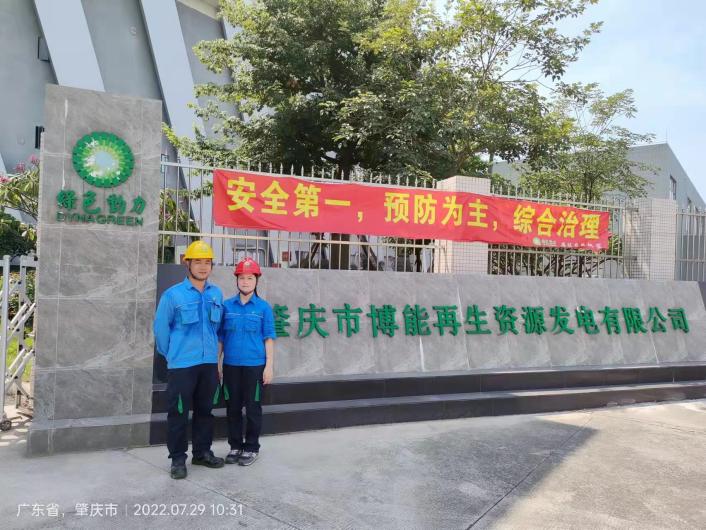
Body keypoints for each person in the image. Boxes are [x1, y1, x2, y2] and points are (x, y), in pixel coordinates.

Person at [153, 240, 225, 479]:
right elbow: (161, 331)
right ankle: (177, 459)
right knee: (178, 413)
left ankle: (202, 452)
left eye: (207, 262)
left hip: (208, 364)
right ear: (188, 263)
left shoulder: (216, 294)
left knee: (205, 410)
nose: (203, 267)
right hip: (182, 365)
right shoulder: (173, 295)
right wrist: (172, 354)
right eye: (198, 262)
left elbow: (218, 328)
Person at [219, 257, 276, 466]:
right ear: (236, 280)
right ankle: (235, 446)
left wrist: (269, 366)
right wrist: (217, 363)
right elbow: (221, 338)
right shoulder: (227, 306)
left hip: (255, 367)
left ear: (256, 280)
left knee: (253, 408)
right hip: (231, 366)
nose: (245, 282)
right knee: (232, 408)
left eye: (250, 278)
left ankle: (251, 447)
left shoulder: (263, 308)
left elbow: (268, 338)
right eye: (241, 278)